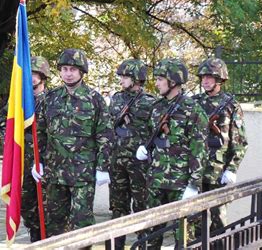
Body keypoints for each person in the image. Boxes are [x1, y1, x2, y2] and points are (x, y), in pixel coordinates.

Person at [34, 48, 113, 239]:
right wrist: (38, 162)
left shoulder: (94, 100)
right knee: (53, 222)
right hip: (55, 172)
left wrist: (103, 167)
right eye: (64, 69)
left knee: (82, 223)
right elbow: (40, 132)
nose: (68, 74)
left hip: (82, 174)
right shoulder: (50, 98)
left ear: (81, 72)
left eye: (73, 70)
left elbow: (105, 135)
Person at [136, 58, 208, 249]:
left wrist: (194, 184)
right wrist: (144, 148)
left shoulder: (192, 109)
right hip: (156, 180)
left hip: (181, 182)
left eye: (160, 79)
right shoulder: (157, 107)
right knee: (150, 234)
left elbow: (199, 149)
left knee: (184, 237)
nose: (157, 83)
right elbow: (150, 135)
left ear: (173, 81)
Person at [105, 59, 157, 250]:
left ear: (136, 78)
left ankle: (143, 245)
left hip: (139, 164)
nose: (121, 80)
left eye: (125, 76)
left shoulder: (149, 102)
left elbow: (155, 131)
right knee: (118, 208)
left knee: (142, 206)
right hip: (117, 161)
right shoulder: (116, 99)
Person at [192, 58, 248, 232]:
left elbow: (239, 141)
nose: (205, 81)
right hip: (196, 169)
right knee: (195, 221)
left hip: (218, 169)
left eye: (209, 77)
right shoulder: (193, 103)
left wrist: (232, 168)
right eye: (203, 77)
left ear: (220, 79)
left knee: (219, 220)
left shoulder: (231, 105)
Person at [21, 56, 50, 242]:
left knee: (47, 210)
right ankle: (35, 242)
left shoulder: (51, 100)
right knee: (27, 207)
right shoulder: (19, 101)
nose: (30, 78)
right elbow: (2, 124)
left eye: (34, 74)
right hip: (23, 161)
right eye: (28, 74)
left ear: (43, 77)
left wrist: (44, 159)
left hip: (44, 161)